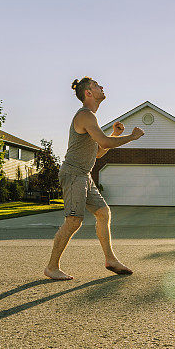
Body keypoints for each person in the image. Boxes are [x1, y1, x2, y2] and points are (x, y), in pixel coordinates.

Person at [44, 77, 144, 280]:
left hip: (84, 175)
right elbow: (105, 142)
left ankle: (110, 259)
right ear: (88, 92)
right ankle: (52, 267)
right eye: (97, 85)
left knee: (103, 213)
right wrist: (131, 137)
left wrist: (115, 134)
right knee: (73, 221)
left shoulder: (91, 118)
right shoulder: (85, 115)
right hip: (73, 174)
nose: (102, 87)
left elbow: (99, 151)